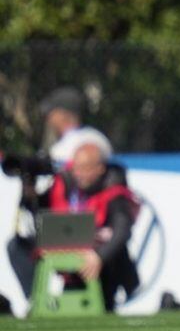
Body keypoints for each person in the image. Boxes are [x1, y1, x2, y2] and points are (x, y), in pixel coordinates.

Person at [6, 143, 140, 312]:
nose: (79, 174)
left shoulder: (114, 189)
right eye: (76, 168)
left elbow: (123, 230)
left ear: (100, 169)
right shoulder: (65, 182)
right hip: (66, 248)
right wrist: (30, 195)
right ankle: (35, 298)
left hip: (99, 260)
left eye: (85, 168)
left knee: (98, 303)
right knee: (16, 246)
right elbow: (40, 213)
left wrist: (99, 256)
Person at [39, 86, 113, 166]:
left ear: (63, 115)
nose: (48, 119)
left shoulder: (72, 144)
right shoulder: (96, 136)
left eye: (51, 114)